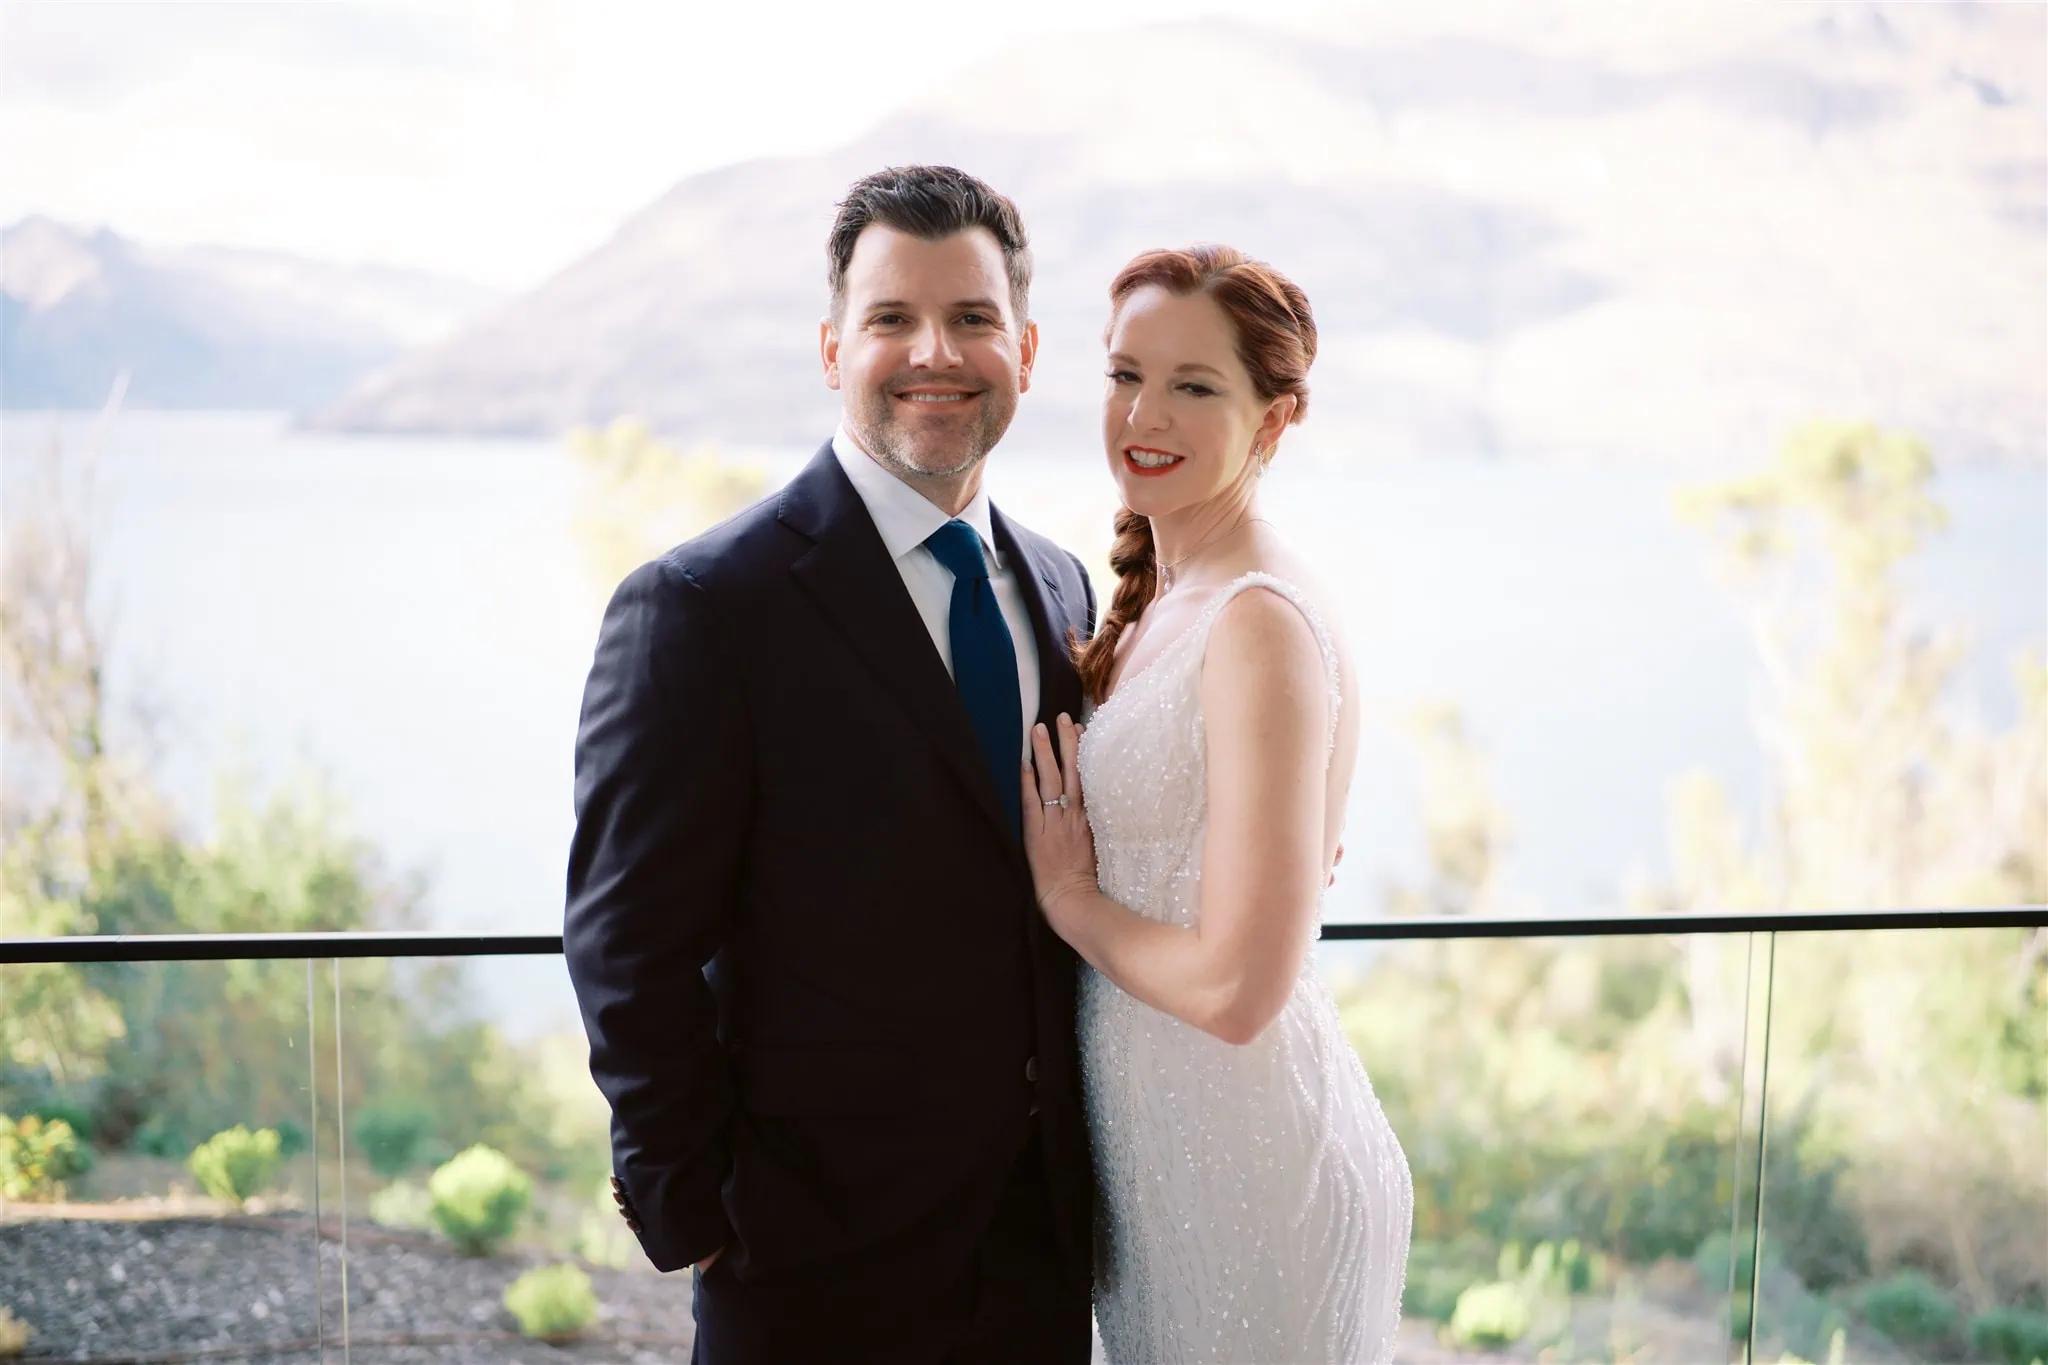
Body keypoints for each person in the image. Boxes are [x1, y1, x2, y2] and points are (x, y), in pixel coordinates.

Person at [563, 165, 1097, 1364]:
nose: (933, 352)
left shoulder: (1061, 588)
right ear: (829, 347)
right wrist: (693, 1212)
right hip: (807, 1261)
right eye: (890, 319)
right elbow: (623, 943)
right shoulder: (703, 607)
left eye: (970, 319)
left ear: (1025, 347)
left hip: (1038, 1250)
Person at [1022, 245, 1414, 1362]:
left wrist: (1068, 896)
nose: (1143, 414)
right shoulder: (1161, 601)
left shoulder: (1256, 619)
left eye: (1194, 386)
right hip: (1169, 1171)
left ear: (1274, 421)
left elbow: (1242, 990)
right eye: (1123, 375)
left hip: (1250, 1176)